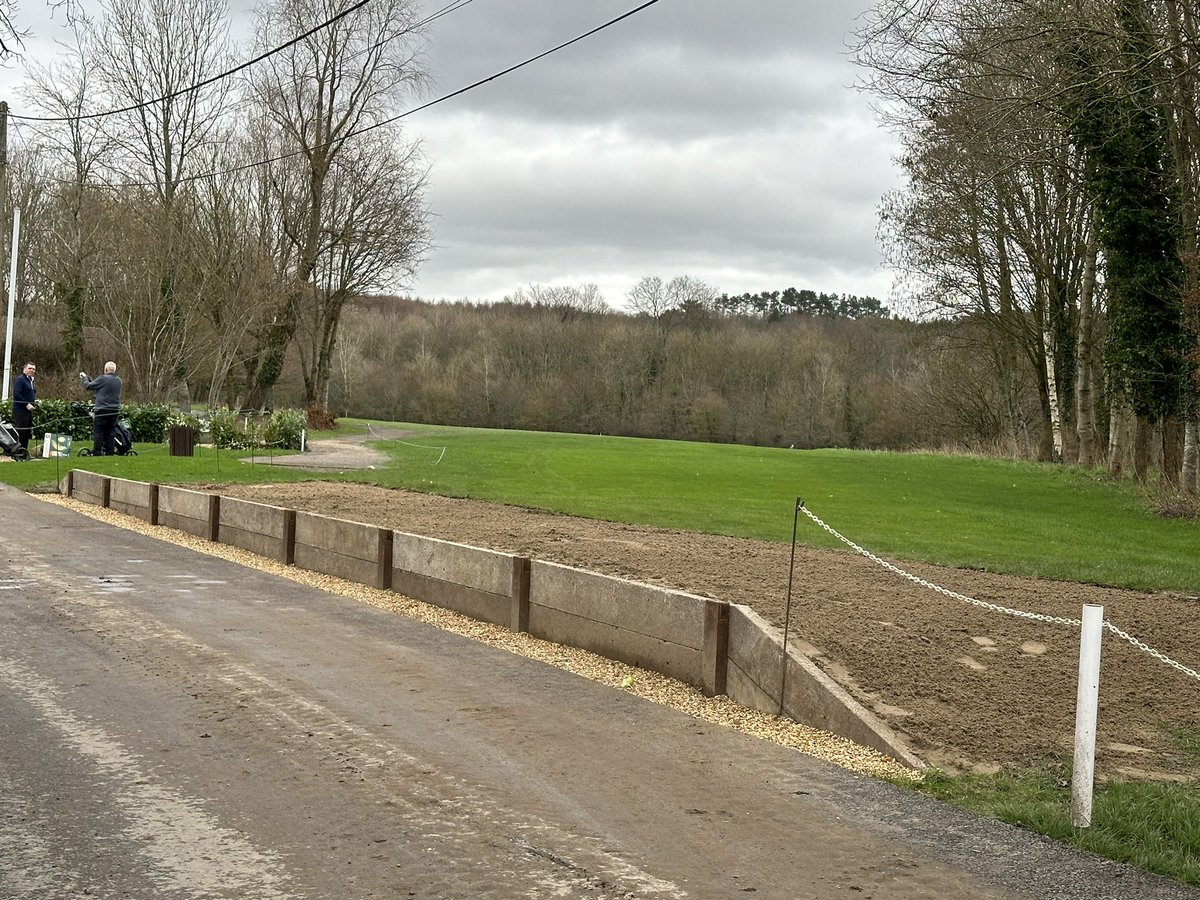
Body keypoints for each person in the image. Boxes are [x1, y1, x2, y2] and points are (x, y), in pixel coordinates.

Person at [81, 361, 123, 456]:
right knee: (110, 432)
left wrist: (84, 378)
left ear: (106, 369)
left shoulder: (102, 378)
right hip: (114, 410)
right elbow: (100, 386)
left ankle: (96, 452)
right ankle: (109, 452)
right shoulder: (119, 381)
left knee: (99, 431)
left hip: (102, 409)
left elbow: (88, 386)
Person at [11, 361, 37, 452]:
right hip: (20, 411)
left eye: (33, 369)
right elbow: (16, 394)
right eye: (30, 368)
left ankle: (24, 452)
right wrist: (26, 404)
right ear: (24, 369)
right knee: (21, 432)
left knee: (27, 432)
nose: (31, 370)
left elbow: (30, 394)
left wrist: (34, 402)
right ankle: (17, 452)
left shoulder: (31, 380)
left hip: (28, 411)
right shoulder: (20, 379)